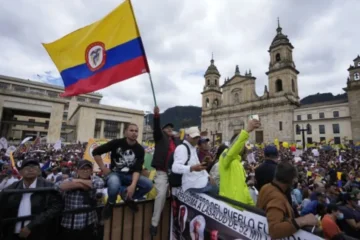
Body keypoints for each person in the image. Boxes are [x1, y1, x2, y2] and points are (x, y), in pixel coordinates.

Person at [92, 123, 153, 219]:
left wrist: (133, 185)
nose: (134, 133)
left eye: (136, 131)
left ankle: (128, 198)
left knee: (148, 184)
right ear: (125, 132)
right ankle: (111, 203)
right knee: (114, 182)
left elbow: (137, 169)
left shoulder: (140, 149)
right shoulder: (116, 143)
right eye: (131, 130)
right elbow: (95, 152)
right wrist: (103, 168)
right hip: (115, 174)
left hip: (130, 176)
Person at [0, 158, 63, 240]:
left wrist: (31, 226)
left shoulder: (49, 187)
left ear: (39, 171)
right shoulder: (12, 188)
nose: (30, 169)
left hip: (38, 233)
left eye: (34, 167)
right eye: (27, 167)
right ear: (20, 172)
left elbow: (56, 207)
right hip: (14, 233)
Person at [257, 161, 318, 239]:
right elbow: (274, 230)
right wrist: (303, 220)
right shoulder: (278, 199)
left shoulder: (266, 187)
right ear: (292, 181)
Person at [56, 160, 105, 240]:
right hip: (70, 224)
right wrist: (83, 185)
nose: (85, 170)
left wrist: (77, 182)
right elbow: (58, 186)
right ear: (77, 170)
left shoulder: (95, 178)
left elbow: (100, 184)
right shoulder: (70, 179)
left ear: (91, 170)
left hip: (89, 223)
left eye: (88, 168)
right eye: (83, 168)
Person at [150, 106, 178, 236]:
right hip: (162, 172)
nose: (170, 129)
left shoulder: (175, 141)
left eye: (171, 128)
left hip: (174, 173)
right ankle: (154, 223)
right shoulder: (160, 137)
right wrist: (157, 116)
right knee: (161, 195)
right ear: (163, 130)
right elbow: (156, 129)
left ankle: (177, 221)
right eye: (167, 128)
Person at [218, 119, 260, 206]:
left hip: (241, 207)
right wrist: (246, 131)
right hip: (230, 206)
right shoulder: (225, 156)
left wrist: (252, 206)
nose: (244, 147)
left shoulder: (237, 162)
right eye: (242, 144)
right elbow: (232, 150)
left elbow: (243, 187)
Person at [172, 127, 218, 195]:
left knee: (216, 187)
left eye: (197, 137)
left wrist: (208, 176)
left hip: (198, 181)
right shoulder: (182, 148)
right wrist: (191, 168)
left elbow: (198, 165)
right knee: (215, 190)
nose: (196, 139)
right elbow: (175, 167)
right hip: (192, 183)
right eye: (194, 137)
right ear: (187, 136)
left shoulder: (192, 149)